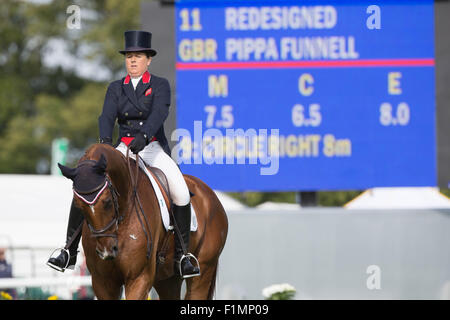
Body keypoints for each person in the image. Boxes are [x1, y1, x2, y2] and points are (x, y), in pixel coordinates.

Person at [47, 30, 200, 279]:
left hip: (151, 148)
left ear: (148, 60)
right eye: (129, 56)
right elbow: (106, 116)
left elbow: (159, 113)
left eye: (138, 56)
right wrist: (106, 144)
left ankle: (184, 255)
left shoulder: (159, 85)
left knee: (181, 191)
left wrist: (145, 136)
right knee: (86, 184)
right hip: (121, 150)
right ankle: (68, 250)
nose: (133, 60)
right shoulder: (116, 88)